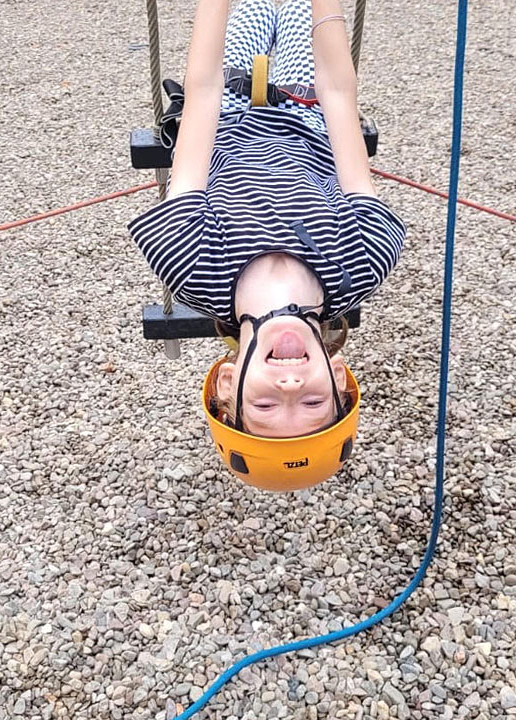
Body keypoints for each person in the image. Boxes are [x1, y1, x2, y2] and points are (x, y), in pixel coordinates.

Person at [129, 0, 405, 482]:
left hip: (230, 113)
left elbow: (204, 91)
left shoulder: (193, 263)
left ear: (230, 382)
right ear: (338, 378)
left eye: (265, 402)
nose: (291, 383)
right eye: (313, 401)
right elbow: (338, 93)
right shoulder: (363, 259)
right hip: (309, 111)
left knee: (254, 7)